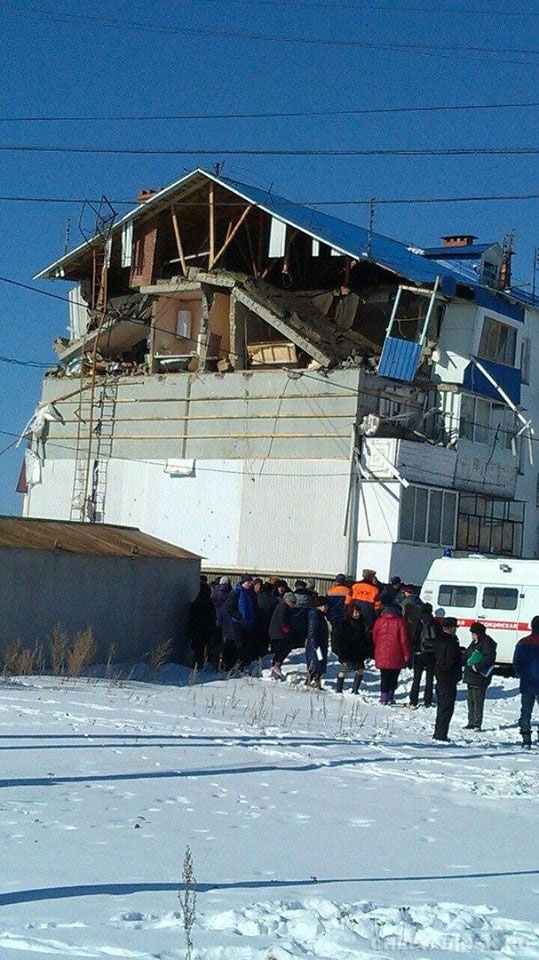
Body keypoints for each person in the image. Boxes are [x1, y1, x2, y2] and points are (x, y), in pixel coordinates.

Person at [372, 602, 411, 704]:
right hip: (396, 653)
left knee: (384, 676)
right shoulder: (400, 622)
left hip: (382, 652)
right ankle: (390, 696)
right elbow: (404, 640)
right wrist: (407, 654)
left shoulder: (379, 621)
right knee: (394, 676)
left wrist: (379, 647)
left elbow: (375, 637)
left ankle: (383, 697)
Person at [431, 616, 462, 742]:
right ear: (451, 628)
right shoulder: (450, 641)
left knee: (442, 707)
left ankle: (440, 732)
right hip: (448, 678)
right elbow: (449, 661)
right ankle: (441, 734)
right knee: (446, 708)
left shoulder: (438, 639)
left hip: (441, 676)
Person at [463, 622, 497, 731]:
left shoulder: (486, 643)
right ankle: (471, 722)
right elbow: (468, 654)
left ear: (477, 633)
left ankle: (477, 723)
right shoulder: (475, 642)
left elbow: (489, 658)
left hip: (480, 677)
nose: (471, 636)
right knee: (470, 701)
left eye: (473, 633)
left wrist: (477, 666)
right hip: (471, 676)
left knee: (477, 701)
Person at [332, 603, 373, 694]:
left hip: (358, 652)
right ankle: (339, 689)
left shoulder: (362, 623)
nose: (357, 614)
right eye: (355, 612)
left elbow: (364, 638)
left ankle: (355, 689)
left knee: (360, 670)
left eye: (358, 612)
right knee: (343, 671)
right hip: (347, 652)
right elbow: (340, 639)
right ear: (351, 612)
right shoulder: (345, 623)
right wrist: (340, 652)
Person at [221, 574, 258, 672]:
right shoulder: (236, 592)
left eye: (251, 582)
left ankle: (242, 664)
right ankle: (233, 665)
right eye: (248, 582)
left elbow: (254, 606)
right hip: (237, 622)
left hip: (248, 622)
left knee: (246, 645)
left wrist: (254, 616)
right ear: (243, 582)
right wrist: (237, 615)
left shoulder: (251, 593)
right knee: (238, 644)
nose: (249, 584)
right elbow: (229, 607)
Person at [407, 603, 440, 708]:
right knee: (429, 679)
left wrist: (412, 651)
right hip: (431, 655)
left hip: (419, 654)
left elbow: (414, 639)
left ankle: (413, 700)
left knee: (416, 678)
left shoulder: (419, 623)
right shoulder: (435, 624)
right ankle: (428, 700)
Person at [513, 616, 539, 748]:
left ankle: (526, 739)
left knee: (526, 712)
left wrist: (522, 675)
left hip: (527, 683)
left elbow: (516, 663)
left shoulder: (523, 642)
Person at [187, 581, 217, 669]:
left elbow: (191, 616)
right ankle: (201, 665)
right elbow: (212, 616)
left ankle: (195, 665)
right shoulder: (209, 603)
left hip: (196, 629)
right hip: (206, 629)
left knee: (197, 649)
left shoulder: (196, 602)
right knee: (204, 648)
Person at [268, 591, 297, 680]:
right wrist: (288, 631)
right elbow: (283, 621)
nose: (293, 605)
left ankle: (276, 667)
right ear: (288, 601)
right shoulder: (283, 607)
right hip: (279, 633)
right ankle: (276, 666)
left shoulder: (283, 607)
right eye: (293, 603)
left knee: (282, 650)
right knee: (283, 649)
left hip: (278, 632)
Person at [345, 569, 381, 634]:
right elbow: (377, 607)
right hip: (368, 614)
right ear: (371, 577)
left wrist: (347, 610)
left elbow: (347, 600)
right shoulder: (375, 589)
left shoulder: (355, 586)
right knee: (365, 634)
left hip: (354, 612)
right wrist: (376, 617)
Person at [305, 595, 330, 689]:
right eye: (325, 606)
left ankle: (316, 681)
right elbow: (313, 631)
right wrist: (315, 645)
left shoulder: (320, 616)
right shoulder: (315, 616)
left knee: (320, 663)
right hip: (316, 646)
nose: (326, 608)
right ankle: (310, 680)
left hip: (320, 644)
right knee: (316, 663)